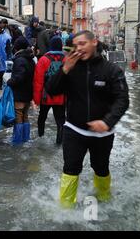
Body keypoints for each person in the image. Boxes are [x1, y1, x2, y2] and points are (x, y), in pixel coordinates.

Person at [45, 30, 129, 208]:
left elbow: (123, 99)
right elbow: (51, 90)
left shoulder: (111, 69)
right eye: (76, 45)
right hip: (74, 129)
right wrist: (64, 69)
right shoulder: (70, 67)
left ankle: (105, 198)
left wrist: (107, 122)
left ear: (94, 42)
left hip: (103, 133)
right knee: (70, 169)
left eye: (83, 43)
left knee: (101, 168)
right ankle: (65, 209)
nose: (79, 48)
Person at [33, 37, 66, 145]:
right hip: (61, 96)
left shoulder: (43, 59)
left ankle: (40, 137)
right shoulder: (66, 59)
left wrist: (37, 100)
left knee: (42, 117)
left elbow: (38, 81)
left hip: (46, 96)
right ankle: (59, 143)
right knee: (60, 121)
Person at [7, 37, 35, 145]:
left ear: (17, 47)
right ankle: (25, 138)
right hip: (28, 93)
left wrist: (10, 81)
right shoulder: (30, 59)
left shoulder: (20, 60)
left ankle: (18, 140)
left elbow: (19, 77)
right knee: (25, 115)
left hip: (20, 93)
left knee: (18, 115)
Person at [0, 23, 12, 90]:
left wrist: (9, 55)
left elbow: (8, 47)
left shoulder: (6, 37)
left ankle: (1, 83)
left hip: (3, 56)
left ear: (1, 29)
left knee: (2, 70)